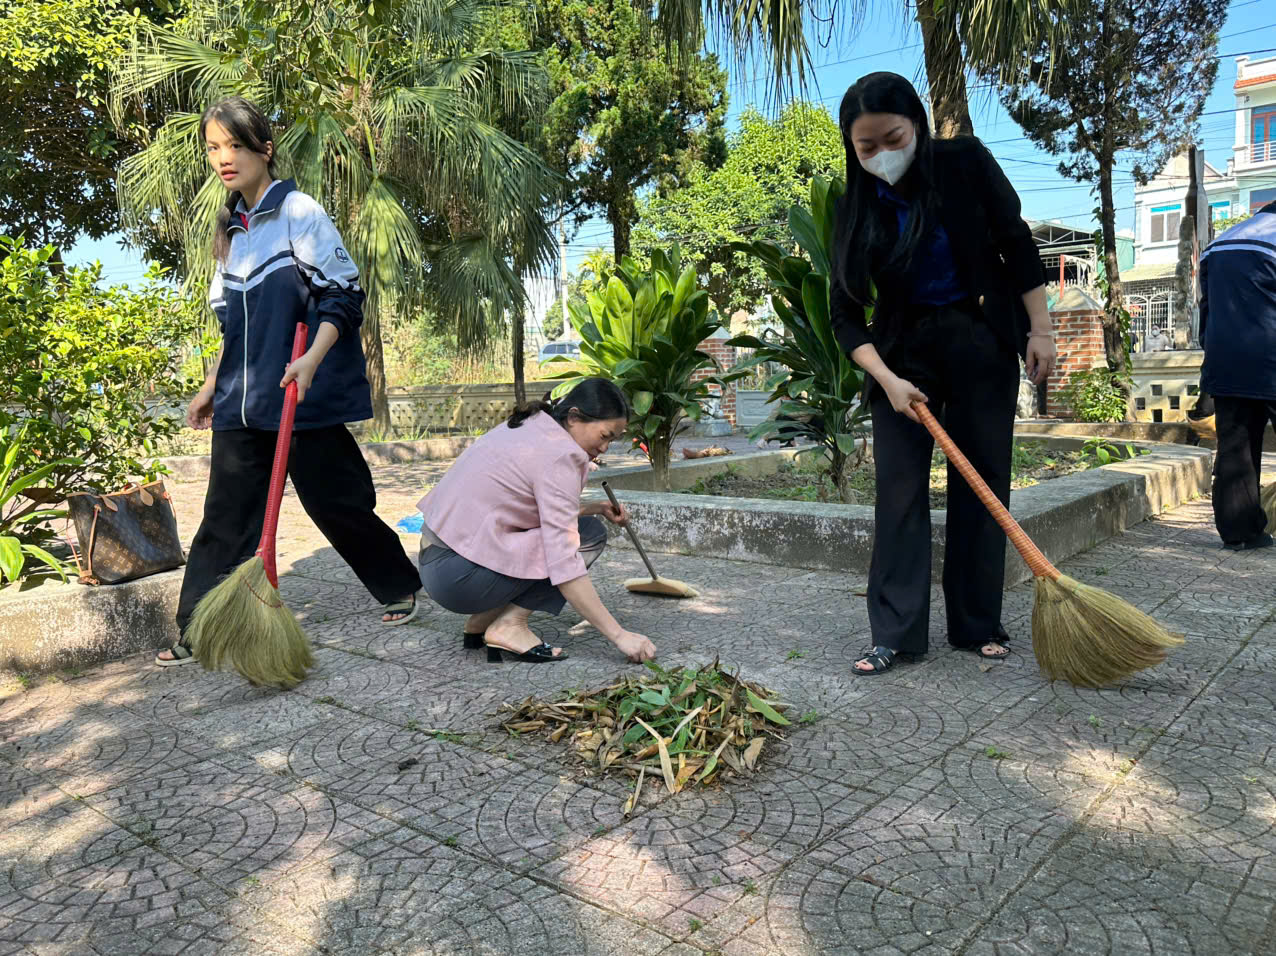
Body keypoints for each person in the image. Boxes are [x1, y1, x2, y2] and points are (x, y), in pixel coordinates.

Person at [157, 97, 421, 666]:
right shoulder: (230, 232)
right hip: (241, 401)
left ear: (264, 149)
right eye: (213, 148)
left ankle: (399, 583)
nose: (223, 158)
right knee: (225, 516)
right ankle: (197, 626)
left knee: (338, 501)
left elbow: (342, 295)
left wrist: (311, 362)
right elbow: (232, 327)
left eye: (235, 145)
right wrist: (210, 385)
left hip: (300, 396)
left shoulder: (299, 212)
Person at [826, 73, 1057, 676]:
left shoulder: (965, 162)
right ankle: (895, 633)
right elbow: (844, 314)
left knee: (982, 485)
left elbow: (1016, 243)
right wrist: (887, 380)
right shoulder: (854, 205)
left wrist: (1040, 330)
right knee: (899, 494)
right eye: (866, 147)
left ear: (919, 126)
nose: (881, 155)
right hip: (900, 357)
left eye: (892, 138)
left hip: (980, 339)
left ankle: (977, 623)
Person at [417, 378, 657, 664]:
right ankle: (510, 626)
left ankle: (482, 621)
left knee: (586, 526)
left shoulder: (533, 424)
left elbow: (525, 506)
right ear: (574, 417)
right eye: (604, 435)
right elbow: (564, 560)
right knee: (586, 537)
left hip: (440, 562)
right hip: (459, 578)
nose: (605, 447)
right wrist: (619, 635)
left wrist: (594, 508)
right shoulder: (560, 455)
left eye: (612, 440)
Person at [1198, 198, 1276, 551]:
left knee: (1235, 447)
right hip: (1270, 354)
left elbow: (1207, 308)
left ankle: (1241, 533)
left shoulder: (1220, 243)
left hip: (1226, 359)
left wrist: (1210, 353)